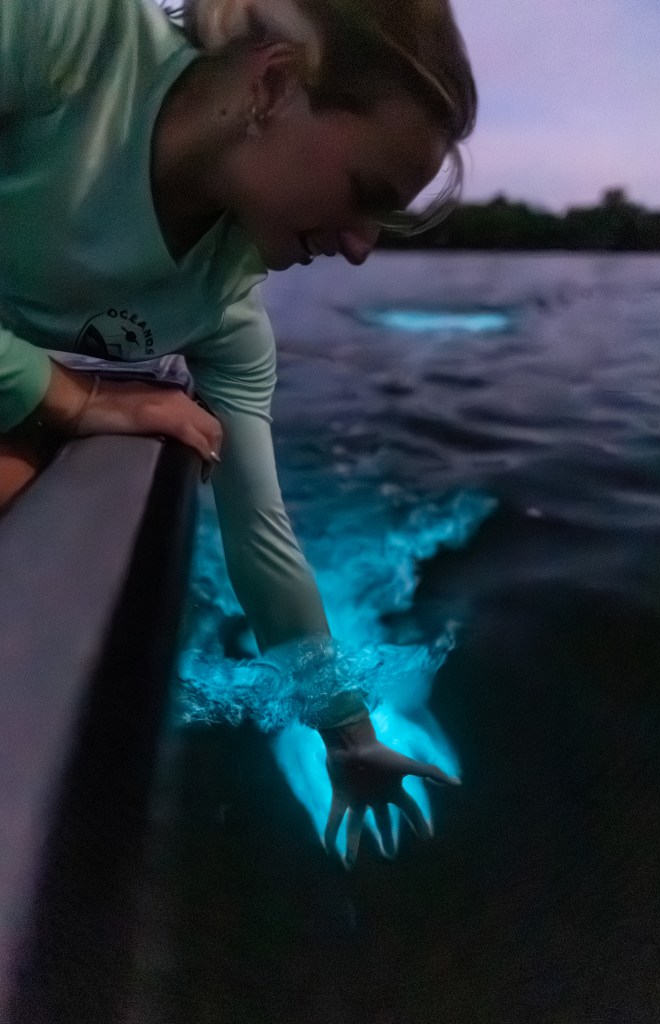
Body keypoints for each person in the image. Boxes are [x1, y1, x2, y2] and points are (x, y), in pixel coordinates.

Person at [0, 0, 477, 865]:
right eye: (366, 195)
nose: (363, 248)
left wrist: (346, 733)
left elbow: (261, 534)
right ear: (274, 84)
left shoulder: (225, 310)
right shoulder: (59, 32)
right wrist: (69, 401)